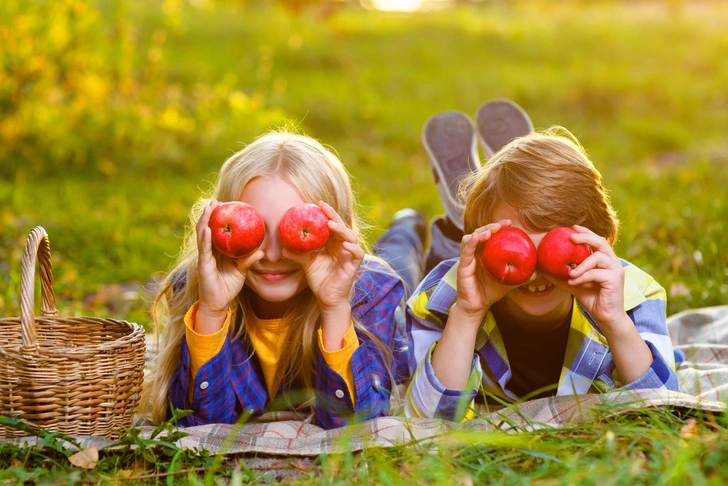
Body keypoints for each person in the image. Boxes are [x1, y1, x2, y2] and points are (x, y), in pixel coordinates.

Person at [404, 126, 679, 422]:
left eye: (549, 248)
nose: (534, 274)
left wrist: (614, 321)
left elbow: (664, 411)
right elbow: (423, 421)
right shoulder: (443, 298)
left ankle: (503, 175)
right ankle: (410, 223)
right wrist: (467, 314)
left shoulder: (632, 296)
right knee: (403, 262)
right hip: (476, 275)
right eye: (520, 245)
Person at [143, 131, 409, 429]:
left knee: (402, 255)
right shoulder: (198, 287)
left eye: (288, 232)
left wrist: (335, 307)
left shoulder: (370, 291)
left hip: (373, 276)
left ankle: (409, 223)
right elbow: (196, 425)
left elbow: (356, 428)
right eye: (255, 231)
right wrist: (212, 311)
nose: (271, 254)